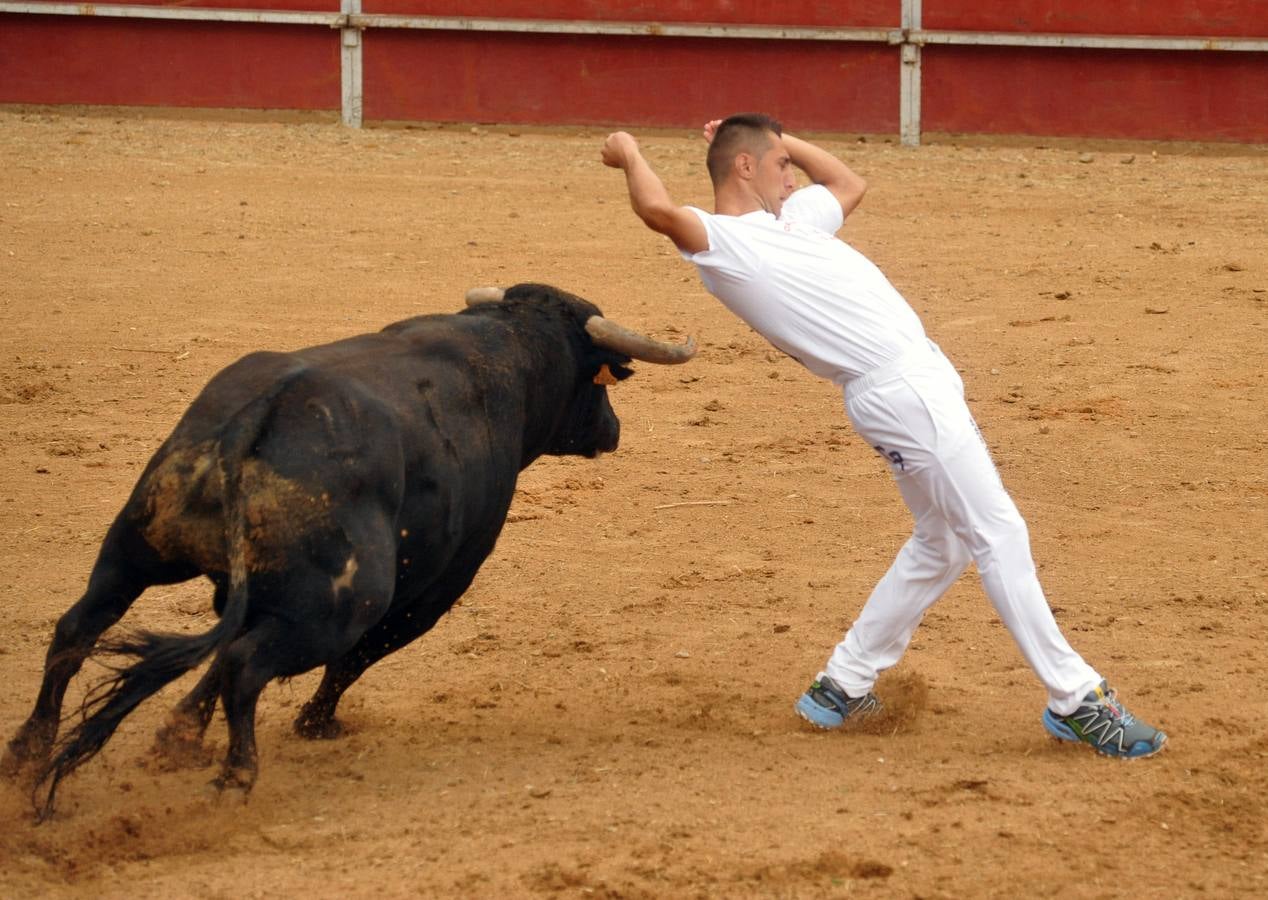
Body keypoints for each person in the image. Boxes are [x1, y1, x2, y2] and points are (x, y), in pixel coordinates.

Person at [600, 113, 1167, 759]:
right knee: (997, 530)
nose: (794, 176)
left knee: (943, 543)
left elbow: (846, 181)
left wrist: (783, 142)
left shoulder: (792, 225)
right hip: (902, 392)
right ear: (744, 167)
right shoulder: (728, 242)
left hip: (906, 388)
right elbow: (656, 210)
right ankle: (1077, 699)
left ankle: (842, 685)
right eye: (781, 164)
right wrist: (629, 154)